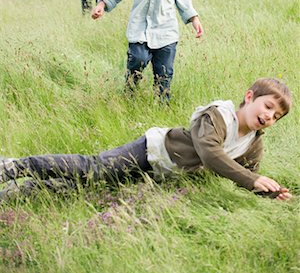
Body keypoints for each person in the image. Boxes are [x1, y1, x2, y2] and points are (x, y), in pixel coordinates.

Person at [0, 78, 292, 202]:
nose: (270, 116)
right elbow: (210, 153)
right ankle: (16, 166)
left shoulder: (253, 142)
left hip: (161, 174)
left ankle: (21, 193)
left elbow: (247, 176)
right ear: (250, 97)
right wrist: (250, 180)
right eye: (268, 107)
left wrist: (269, 191)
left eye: (277, 116)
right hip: (150, 151)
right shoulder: (218, 115)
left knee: (92, 187)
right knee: (94, 169)